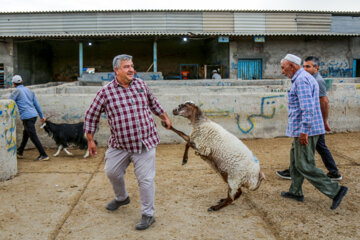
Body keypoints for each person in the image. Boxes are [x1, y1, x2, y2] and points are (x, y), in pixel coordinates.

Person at [84, 54, 172, 230]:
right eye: (126, 67)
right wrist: (90, 139)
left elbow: (153, 103)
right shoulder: (106, 92)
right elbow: (91, 115)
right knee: (112, 172)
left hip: (145, 143)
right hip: (120, 145)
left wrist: (164, 117)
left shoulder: (140, 85)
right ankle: (122, 197)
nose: (131, 69)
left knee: (146, 180)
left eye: (132, 66)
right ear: (116, 70)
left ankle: (148, 214)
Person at [280, 54, 347, 210]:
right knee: (295, 161)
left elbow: (307, 108)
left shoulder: (302, 80)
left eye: (283, 67)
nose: (282, 71)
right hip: (302, 130)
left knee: (304, 165)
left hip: (305, 131)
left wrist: (304, 131)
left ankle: (336, 190)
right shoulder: (302, 78)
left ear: (292, 66)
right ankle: (295, 191)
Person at [9, 75, 49, 161]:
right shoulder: (29, 91)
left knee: (33, 136)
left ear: (13, 83)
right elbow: (36, 105)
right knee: (26, 134)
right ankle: (20, 151)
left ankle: (43, 154)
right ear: (22, 81)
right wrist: (42, 116)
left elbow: (9, 103)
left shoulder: (16, 91)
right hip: (33, 115)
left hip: (26, 117)